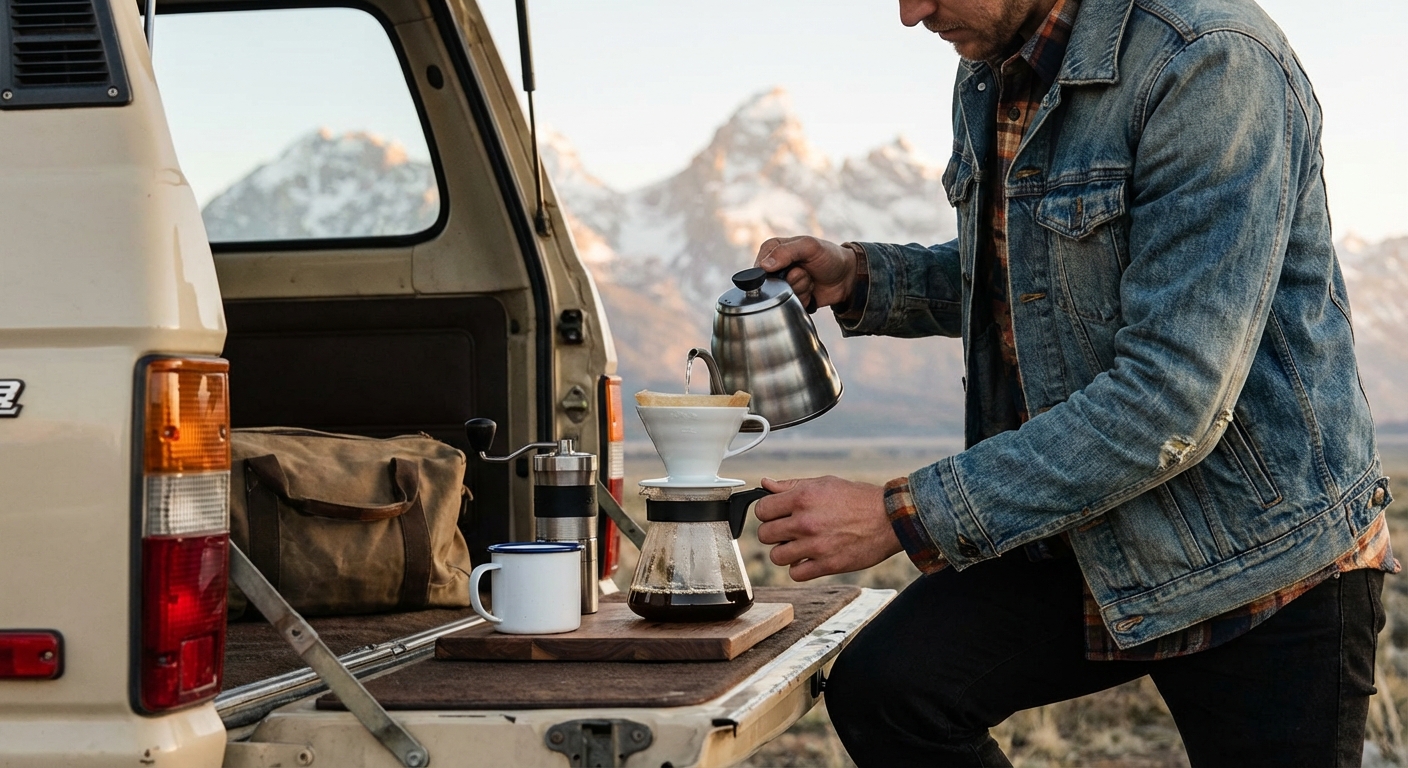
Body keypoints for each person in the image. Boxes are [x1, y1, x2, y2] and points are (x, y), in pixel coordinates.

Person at [750, 0, 1397, 764]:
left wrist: (903, 516)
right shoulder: (993, 63)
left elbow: (1169, 399)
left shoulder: (1210, 62)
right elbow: (1042, 282)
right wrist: (862, 276)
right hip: (1089, 520)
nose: (910, 13)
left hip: (1259, 558)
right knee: (892, 690)